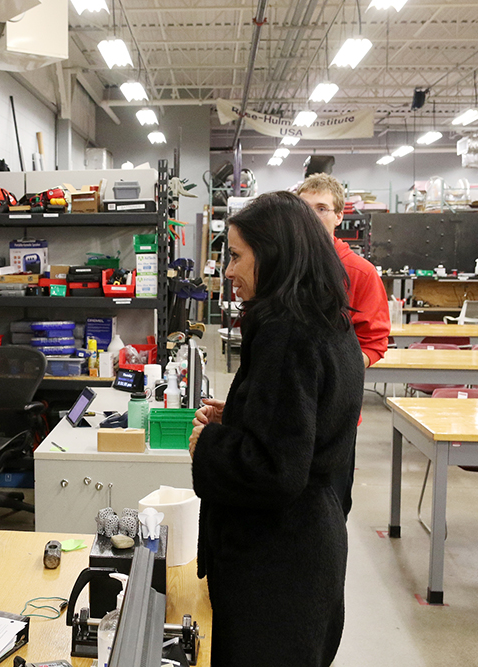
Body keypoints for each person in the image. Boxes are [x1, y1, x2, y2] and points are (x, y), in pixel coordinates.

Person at [189, 191, 364, 667]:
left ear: (273, 255)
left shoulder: (286, 335)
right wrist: (243, 414)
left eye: (237, 256)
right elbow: (308, 426)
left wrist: (209, 444)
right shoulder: (326, 319)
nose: (228, 271)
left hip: (276, 567)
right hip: (310, 547)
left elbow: (275, 470)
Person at [297, 173, 390, 516]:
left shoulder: (360, 273)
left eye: (322, 208)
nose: (312, 216)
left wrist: (336, 369)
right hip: (288, 406)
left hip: (334, 413)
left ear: (339, 216)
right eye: (305, 208)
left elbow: (375, 342)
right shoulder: (283, 266)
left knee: (329, 506)